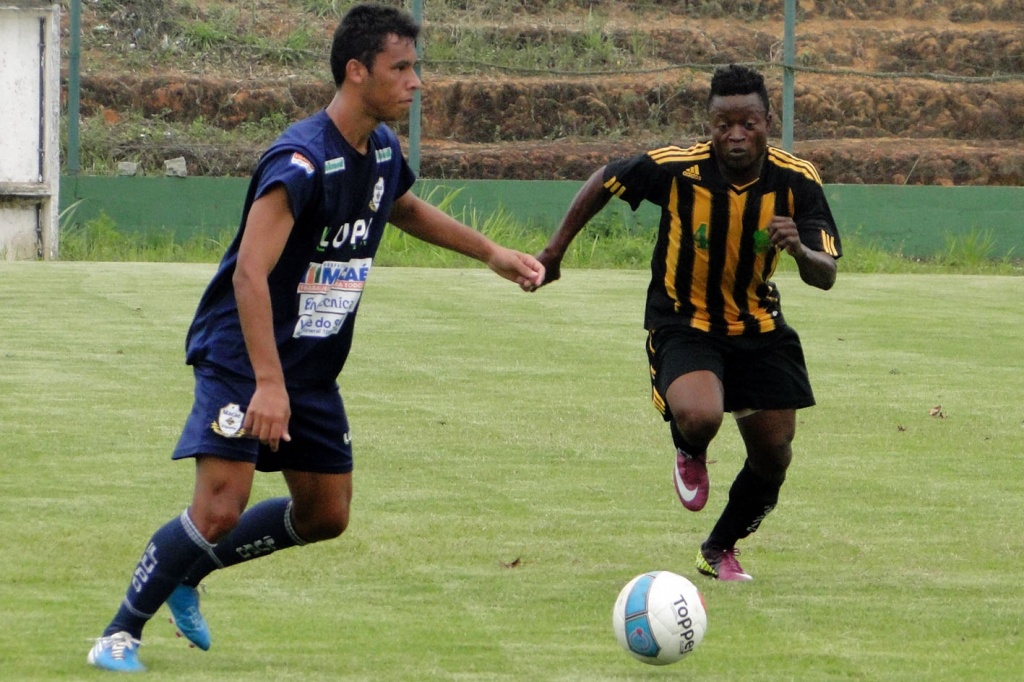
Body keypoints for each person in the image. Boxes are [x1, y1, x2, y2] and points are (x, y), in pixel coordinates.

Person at [87, 3, 544, 673]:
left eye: (416, 68)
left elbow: (402, 206)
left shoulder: (382, 150)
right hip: (243, 357)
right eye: (402, 68)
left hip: (309, 365)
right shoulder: (301, 158)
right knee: (219, 506)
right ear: (357, 72)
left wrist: (490, 252)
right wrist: (267, 383)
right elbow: (249, 272)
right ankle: (119, 634)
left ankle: (191, 567)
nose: (416, 82)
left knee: (326, 513)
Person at [531, 64, 841, 582]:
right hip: (683, 319)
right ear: (709, 125)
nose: (736, 135)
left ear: (768, 121)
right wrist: (554, 253)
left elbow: (825, 274)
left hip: (758, 327)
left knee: (775, 454)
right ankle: (688, 446)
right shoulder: (677, 168)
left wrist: (801, 249)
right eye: (723, 124)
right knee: (702, 416)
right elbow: (606, 178)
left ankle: (718, 549)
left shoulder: (796, 179)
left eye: (748, 123)